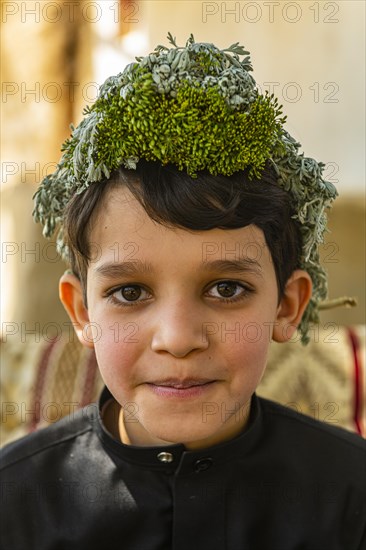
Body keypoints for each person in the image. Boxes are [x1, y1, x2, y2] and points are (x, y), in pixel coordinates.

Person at [1, 33, 365, 549]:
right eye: (130, 293)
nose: (177, 338)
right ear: (81, 310)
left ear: (287, 305)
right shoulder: (15, 503)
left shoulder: (351, 497)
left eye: (224, 288)